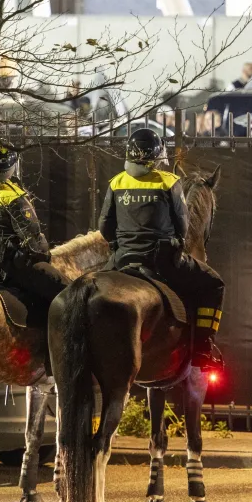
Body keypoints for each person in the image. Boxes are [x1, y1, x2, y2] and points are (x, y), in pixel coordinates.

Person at [98, 128, 224, 369]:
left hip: (122, 259)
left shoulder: (116, 182)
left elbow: (104, 225)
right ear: (156, 157)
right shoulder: (170, 182)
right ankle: (202, 349)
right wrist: (175, 242)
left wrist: (119, 245)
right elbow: (183, 225)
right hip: (161, 260)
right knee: (213, 283)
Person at [0, 141, 69, 310]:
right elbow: (33, 240)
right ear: (12, 167)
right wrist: (45, 256)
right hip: (10, 267)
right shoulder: (14, 197)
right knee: (66, 292)